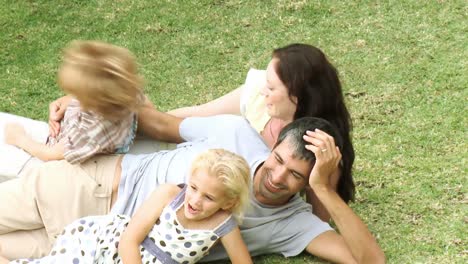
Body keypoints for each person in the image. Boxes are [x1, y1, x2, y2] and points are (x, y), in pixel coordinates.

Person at [0, 111, 384, 263]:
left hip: (94, 252)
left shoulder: (294, 223)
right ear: (273, 145)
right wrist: (83, 105)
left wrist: (326, 191)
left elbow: (371, 261)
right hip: (93, 187)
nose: (277, 177)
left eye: (296, 176)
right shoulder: (233, 131)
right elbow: (158, 123)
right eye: (279, 159)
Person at [164, 43, 355, 221]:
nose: (263, 90)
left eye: (271, 87)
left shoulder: (317, 143)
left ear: (296, 97)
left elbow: (319, 218)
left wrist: (322, 180)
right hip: (187, 165)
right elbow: (199, 113)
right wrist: (145, 123)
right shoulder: (259, 97)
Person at [1, 149, 253, 264]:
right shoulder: (168, 195)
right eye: (194, 188)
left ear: (228, 202)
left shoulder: (224, 225)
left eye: (209, 198)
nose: (195, 200)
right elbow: (129, 241)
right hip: (109, 245)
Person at [1, 40, 144, 176]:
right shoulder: (126, 92)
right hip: (61, 138)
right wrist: (69, 102)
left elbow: (51, 155)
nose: (73, 97)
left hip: (62, 169)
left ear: (94, 101)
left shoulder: (90, 131)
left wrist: (19, 138)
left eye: (78, 94)